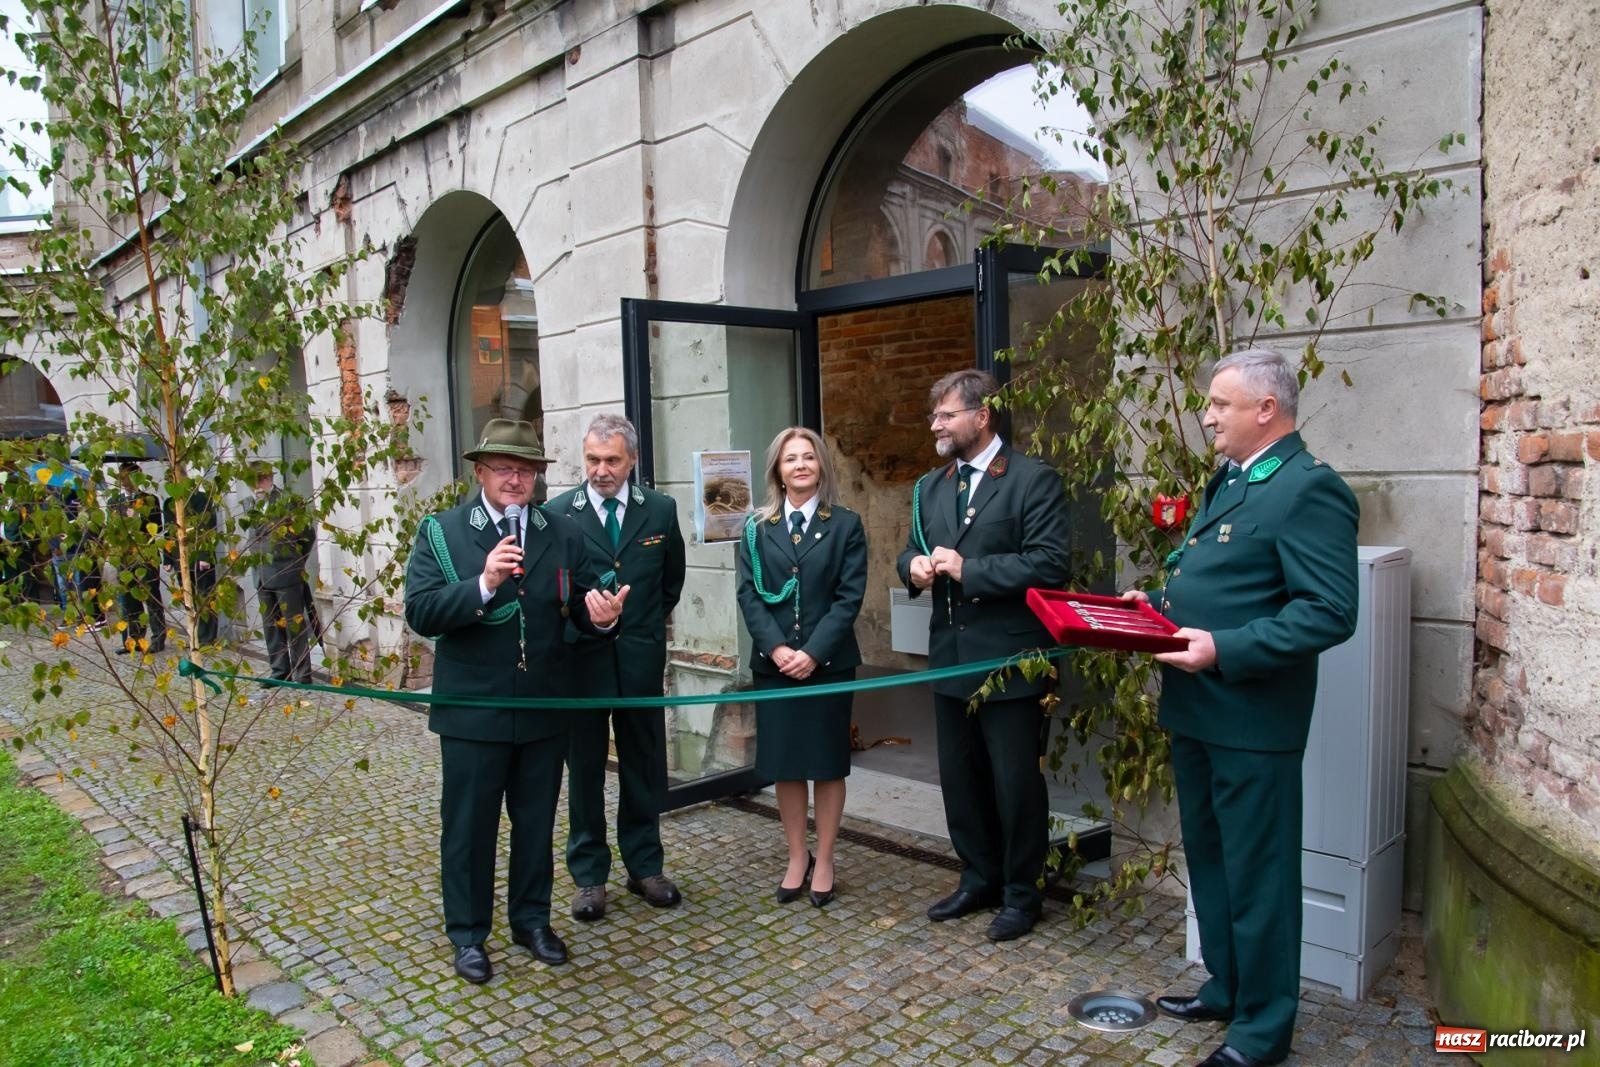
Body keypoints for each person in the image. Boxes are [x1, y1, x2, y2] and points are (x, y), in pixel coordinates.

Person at [1123, 348, 1358, 1067]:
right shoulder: (1232, 480)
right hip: (1196, 711)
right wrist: (1154, 610)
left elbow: (1328, 611)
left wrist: (1222, 648)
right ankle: (1227, 986)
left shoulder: (1308, 489)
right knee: (1215, 863)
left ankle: (1261, 1031)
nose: (1207, 415)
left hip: (1254, 721)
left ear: (1266, 409)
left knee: (1260, 875)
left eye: (1220, 404)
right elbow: (1220, 583)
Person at [403, 418, 629, 985]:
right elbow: (421, 612)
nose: (514, 478)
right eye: (504, 468)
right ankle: (468, 935)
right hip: (473, 712)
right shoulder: (443, 531)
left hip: (543, 708)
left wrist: (600, 618)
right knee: (469, 828)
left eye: (525, 469)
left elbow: (576, 606)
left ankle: (531, 921)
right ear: (480, 471)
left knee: (534, 825)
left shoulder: (561, 532)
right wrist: (481, 583)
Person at [895, 368, 1070, 942]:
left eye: (946, 415)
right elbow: (910, 551)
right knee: (960, 779)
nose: (936, 425)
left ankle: (1023, 894)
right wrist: (913, 569)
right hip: (950, 659)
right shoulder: (930, 487)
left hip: (1012, 664)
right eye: (934, 416)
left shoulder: (1030, 481)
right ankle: (978, 877)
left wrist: (971, 570)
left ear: (982, 415)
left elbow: (1049, 565)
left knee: (1015, 783)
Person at [548, 414, 687, 920]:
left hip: (639, 663)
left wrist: (641, 630)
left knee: (643, 766)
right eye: (592, 460)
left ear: (632, 460)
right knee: (583, 770)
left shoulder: (661, 511)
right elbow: (553, 592)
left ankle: (645, 866)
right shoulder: (558, 513)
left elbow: (670, 583)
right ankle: (588, 877)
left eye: (611, 460)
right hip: (580, 665)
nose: (601, 471)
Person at [736, 427, 867, 908]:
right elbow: (748, 595)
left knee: (827, 765)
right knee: (787, 766)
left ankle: (826, 858)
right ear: (777, 470)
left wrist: (812, 651)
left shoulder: (846, 525)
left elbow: (849, 597)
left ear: (820, 466)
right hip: (774, 668)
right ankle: (797, 856)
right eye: (790, 459)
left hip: (828, 665)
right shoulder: (756, 528)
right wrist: (776, 649)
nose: (800, 465)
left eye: (808, 457)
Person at [246, 465, 317, 683]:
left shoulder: (288, 502)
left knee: (294, 626)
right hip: (261, 575)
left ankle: (302, 674)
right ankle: (279, 672)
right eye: (253, 482)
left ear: (270, 479)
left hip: (286, 573)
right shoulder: (249, 505)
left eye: (261, 480)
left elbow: (308, 535)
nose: (258, 486)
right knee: (271, 627)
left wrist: (295, 562)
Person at [112, 461, 166, 653]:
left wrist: (138, 516)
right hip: (124, 557)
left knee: (151, 598)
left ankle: (158, 639)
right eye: (123, 478)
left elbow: (157, 527)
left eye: (130, 477)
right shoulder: (115, 501)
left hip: (145, 555)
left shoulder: (149, 499)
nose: (126, 482)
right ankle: (133, 641)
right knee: (128, 600)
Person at [163, 488, 218, 645]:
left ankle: (207, 637)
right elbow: (168, 531)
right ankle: (194, 634)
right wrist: (166, 558)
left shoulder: (201, 498)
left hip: (199, 556)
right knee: (188, 597)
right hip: (179, 556)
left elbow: (208, 527)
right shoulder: (169, 502)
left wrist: (205, 555)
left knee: (204, 597)